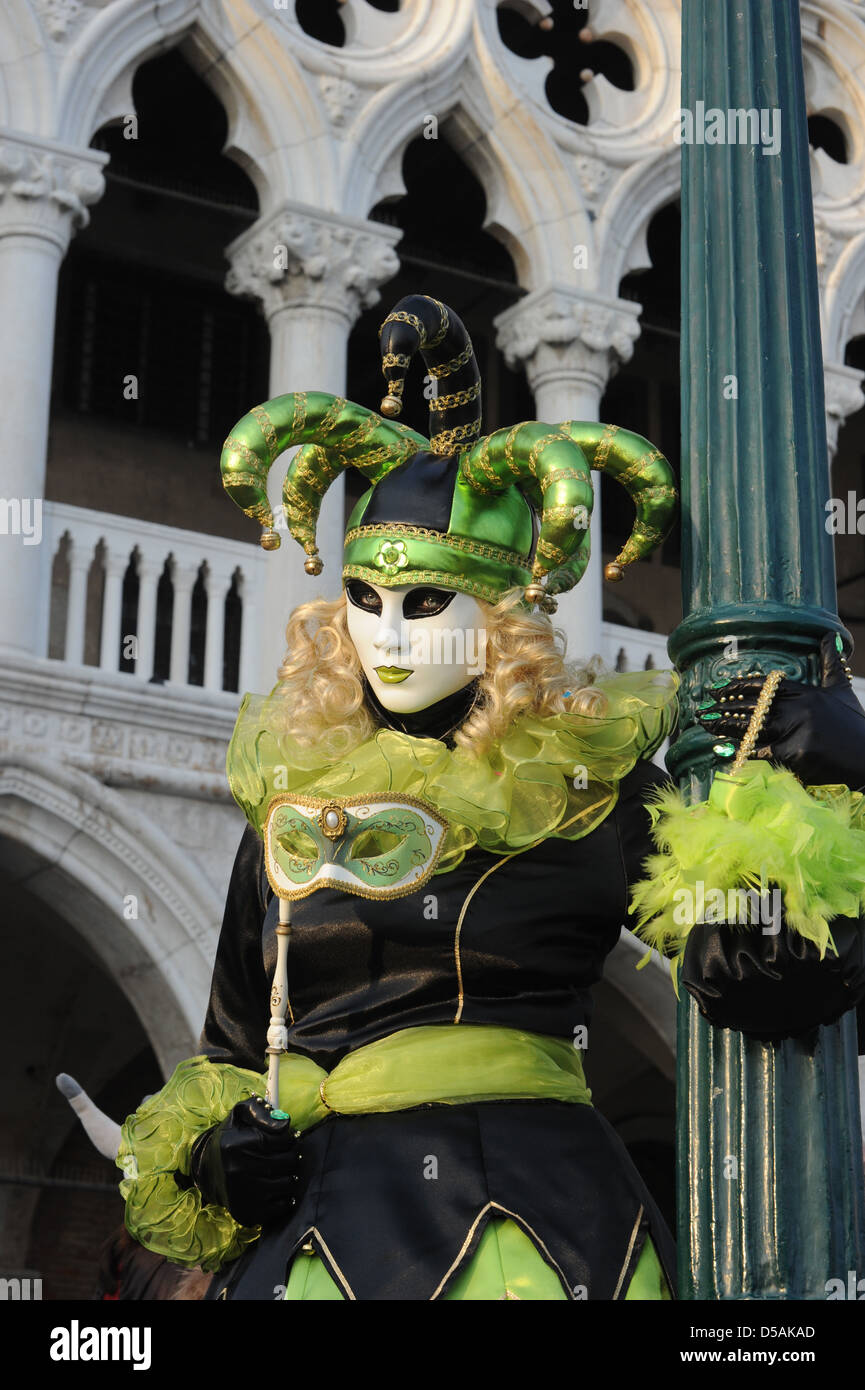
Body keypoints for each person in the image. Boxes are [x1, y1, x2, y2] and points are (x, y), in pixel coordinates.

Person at [117, 295, 865, 1301]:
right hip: (303, 1243)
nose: (386, 634)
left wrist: (833, 774)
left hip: (518, 1227)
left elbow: (761, 971)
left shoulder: (581, 792)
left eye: (426, 603)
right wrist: (217, 1153)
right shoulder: (293, 804)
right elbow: (234, 1046)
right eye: (366, 601)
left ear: (501, 617)